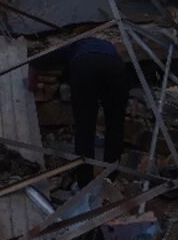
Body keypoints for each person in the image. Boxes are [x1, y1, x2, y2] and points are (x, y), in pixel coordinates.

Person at [29, 37, 128, 187]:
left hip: (84, 66)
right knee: (115, 125)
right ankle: (110, 178)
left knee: (85, 128)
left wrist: (31, 85)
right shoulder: (107, 46)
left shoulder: (73, 44)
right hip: (115, 67)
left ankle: (84, 182)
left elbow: (36, 61)